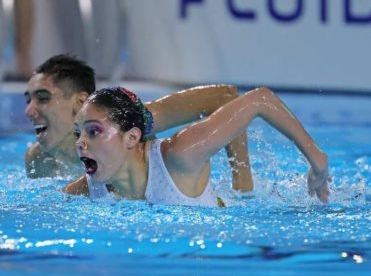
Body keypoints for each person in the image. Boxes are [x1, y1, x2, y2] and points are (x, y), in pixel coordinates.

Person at [63, 86, 330, 206]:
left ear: (132, 138)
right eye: (78, 134)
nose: (80, 144)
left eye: (94, 132)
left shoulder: (179, 155)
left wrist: (317, 161)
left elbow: (259, 99)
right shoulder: (90, 186)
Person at [24, 54, 254, 192]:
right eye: (29, 99)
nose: (29, 110)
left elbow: (225, 96)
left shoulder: (131, 120)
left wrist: (242, 183)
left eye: (43, 98)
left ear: (80, 102)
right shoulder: (40, 160)